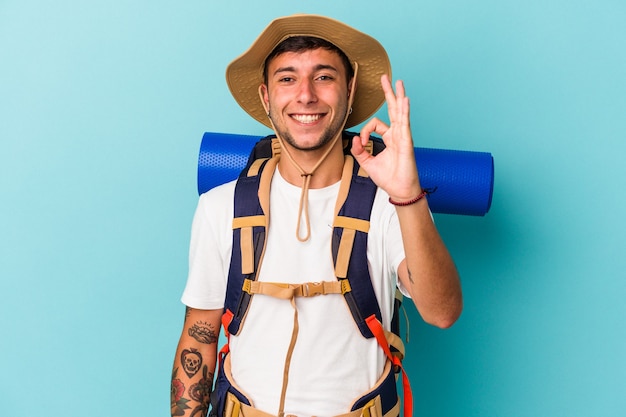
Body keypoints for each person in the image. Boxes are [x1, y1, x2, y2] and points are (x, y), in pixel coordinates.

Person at [171, 14, 462, 417]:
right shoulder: (221, 206)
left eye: (323, 77)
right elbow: (198, 337)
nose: (305, 95)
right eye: (287, 79)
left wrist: (409, 195)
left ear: (350, 89)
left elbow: (442, 311)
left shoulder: (390, 204)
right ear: (266, 96)